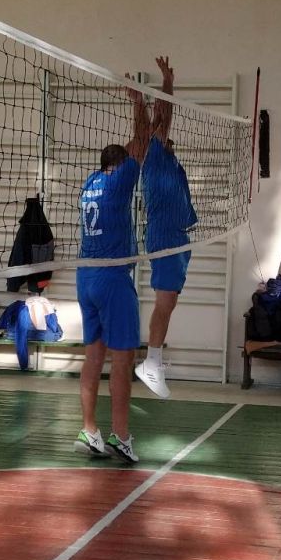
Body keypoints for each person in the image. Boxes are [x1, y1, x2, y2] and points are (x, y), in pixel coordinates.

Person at [73, 81, 150, 464]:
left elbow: (130, 148)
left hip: (85, 276)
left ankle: (89, 431)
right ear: (121, 167)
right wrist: (140, 103)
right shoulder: (120, 181)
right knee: (123, 360)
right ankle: (121, 436)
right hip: (112, 279)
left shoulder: (91, 182)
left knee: (93, 356)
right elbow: (142, 140)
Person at [134, 56, 197, 401]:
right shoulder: (155, 157)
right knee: (165, 301)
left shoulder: (166, 161)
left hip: (177, 238)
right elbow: (164, 116)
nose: (165, 135)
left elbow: (154, 122)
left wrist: (139, 103)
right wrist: (168, 83)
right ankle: (152, 361)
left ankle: (153, 360)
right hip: (166, 237)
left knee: (168, 302)